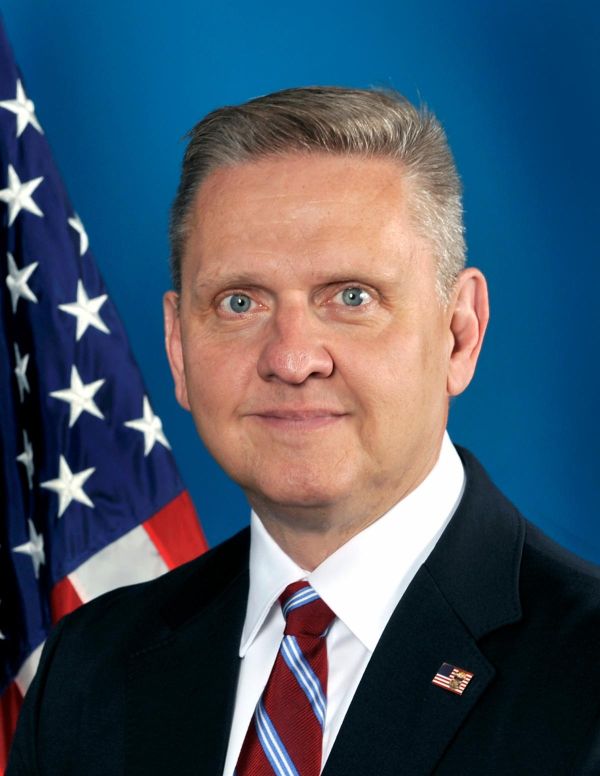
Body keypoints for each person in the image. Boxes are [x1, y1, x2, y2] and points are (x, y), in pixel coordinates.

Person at [7, 87, 600, 775]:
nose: (291, 359)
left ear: (459, 334)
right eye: (239, 302)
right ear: (177, 347)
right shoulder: (85, 672)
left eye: (352, 297)